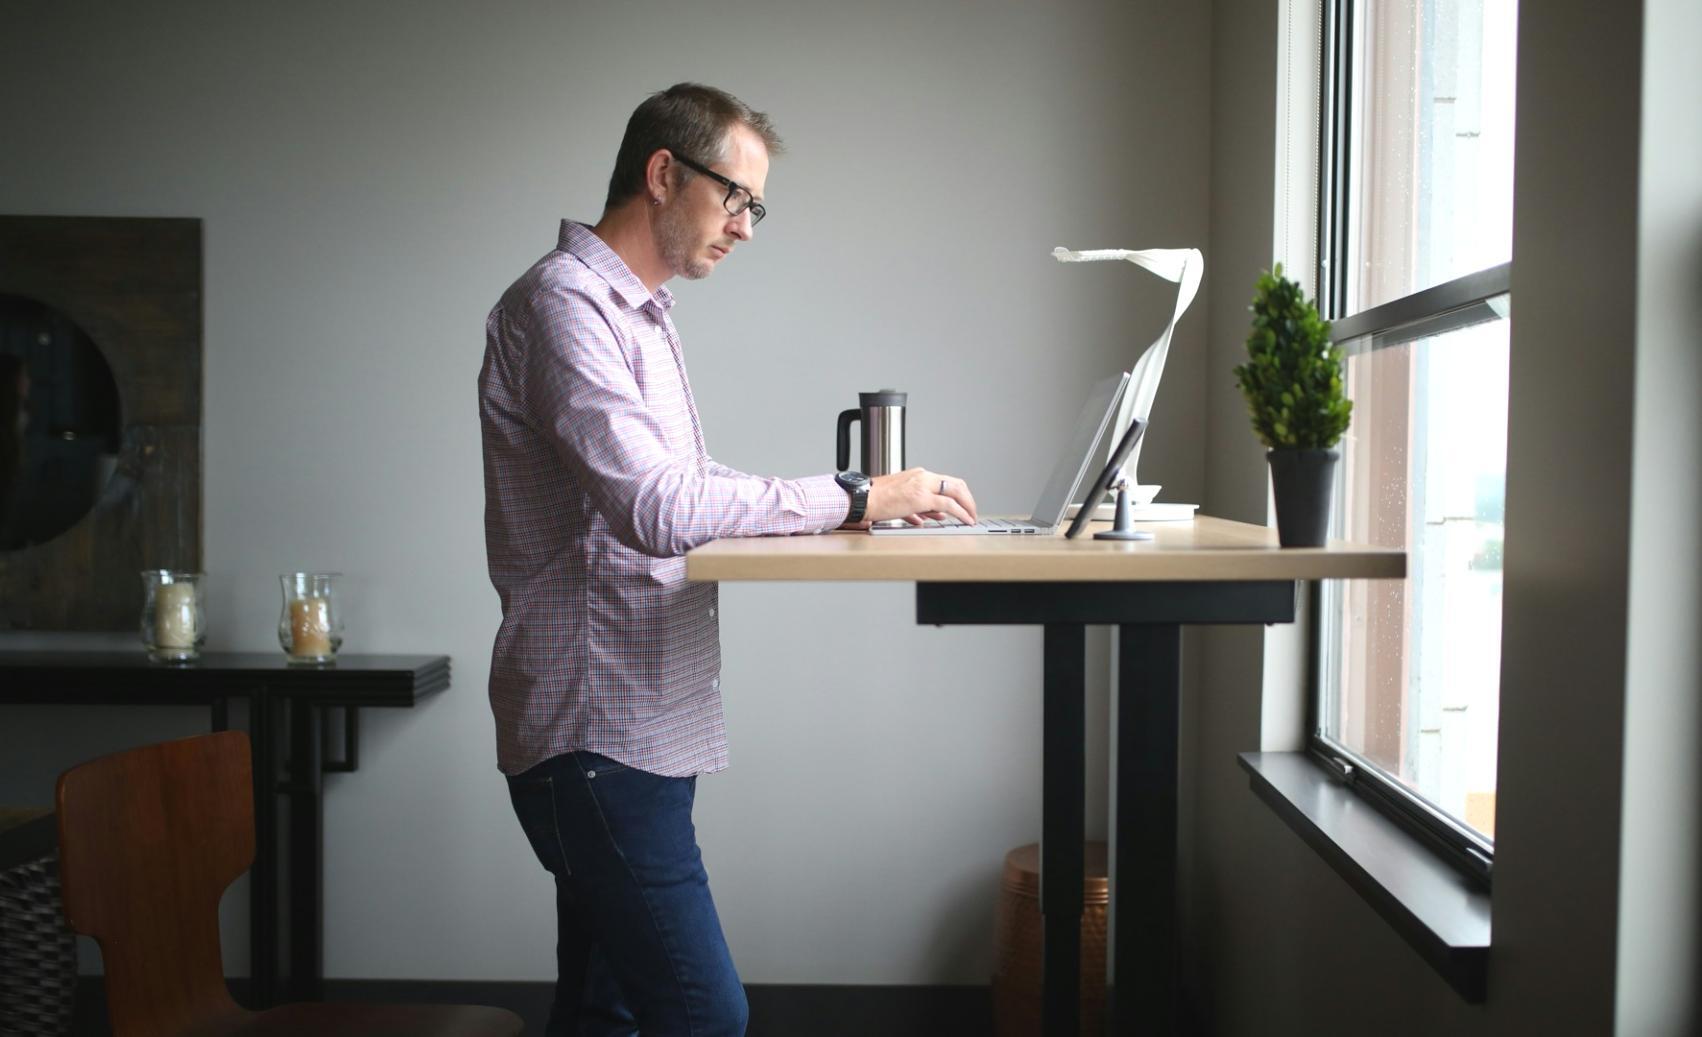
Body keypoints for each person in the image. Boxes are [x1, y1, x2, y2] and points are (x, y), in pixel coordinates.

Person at [478, 83, 978, 1036]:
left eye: (757, 206)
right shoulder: (564, 308)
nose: (747, 227)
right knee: (705, 1015)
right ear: (664, 174)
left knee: (606, 1010)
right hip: (598, 733)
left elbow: (689, 489)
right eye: (735, 198)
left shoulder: (640, 314)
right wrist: (857, 493)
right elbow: (660, 506)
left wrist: (853, 509)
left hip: (637, 723)